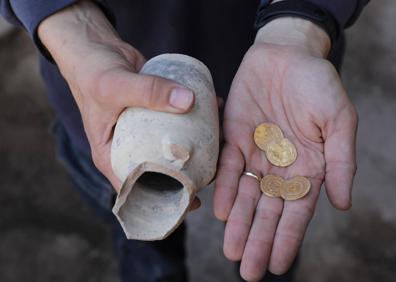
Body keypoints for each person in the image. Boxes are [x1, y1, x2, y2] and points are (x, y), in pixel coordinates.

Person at [0, 0, 369, 281]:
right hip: (108, 97)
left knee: (266, 242)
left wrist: (301, 23)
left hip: (277, 87)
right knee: (144, 243)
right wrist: (68, 21)